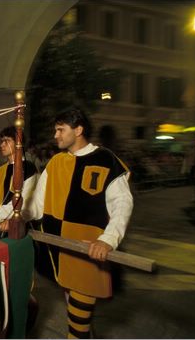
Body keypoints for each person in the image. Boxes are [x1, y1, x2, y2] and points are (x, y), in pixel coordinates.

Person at [30, 108, 133, 338]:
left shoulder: (106, 159)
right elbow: (36, 205)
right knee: (76, 312)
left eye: (60, 129)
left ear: (78, 130)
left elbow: (122, 204)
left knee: (77, 322)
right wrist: (10, 216)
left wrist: (108, 239)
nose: (55, 135)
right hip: (60, 248)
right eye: (55, 130)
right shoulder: (56, 162)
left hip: (88, 248)